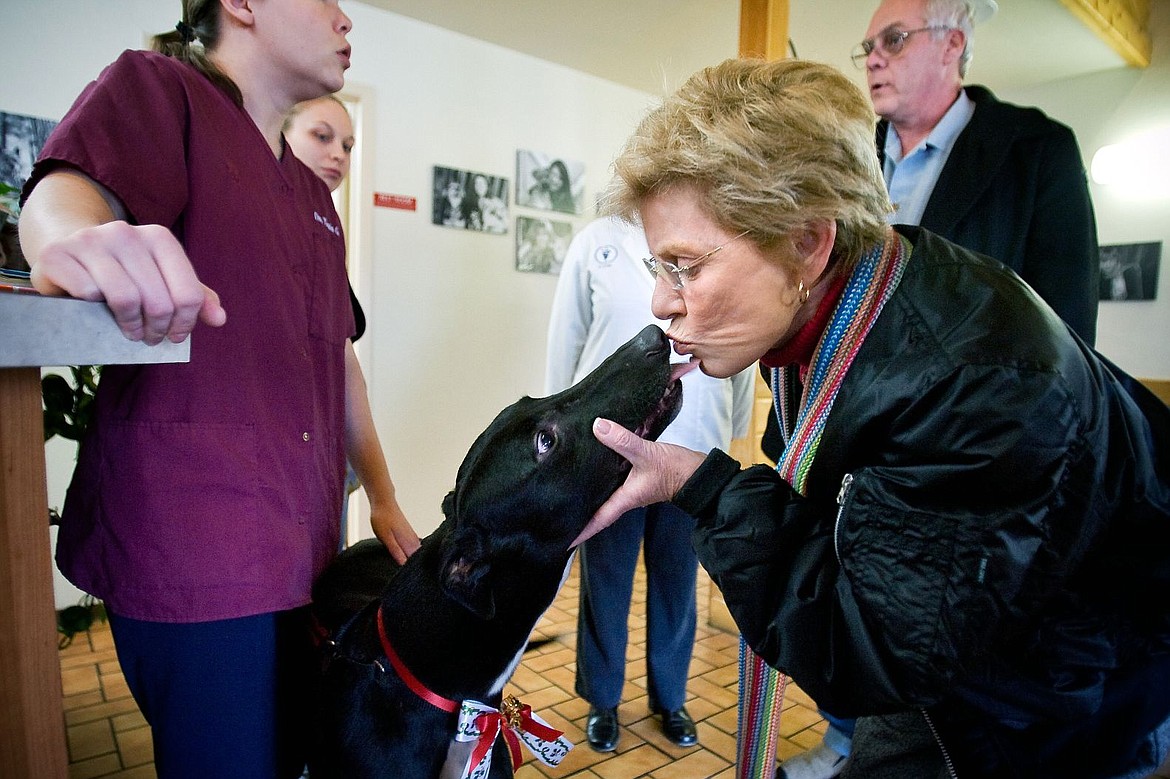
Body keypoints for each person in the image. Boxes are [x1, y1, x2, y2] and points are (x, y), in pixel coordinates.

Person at [572, 57, 1170, 779]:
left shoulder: (971, 386)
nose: (663, 304)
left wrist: (698, 484)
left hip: (1065, 698)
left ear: (807, 240)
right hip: (960, 651)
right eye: (657, 270)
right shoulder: (831, 310)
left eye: (687, 267)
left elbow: (868, 653)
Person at [18, 2, 417, 776]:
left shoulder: (311, 198)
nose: (344, 17)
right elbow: (65, 197)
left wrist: (384, 493)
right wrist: (73, 238)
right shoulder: (159, 91)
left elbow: (335, 359)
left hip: (303, 551)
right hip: (197, 551)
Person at [780, 2, 1104, 775]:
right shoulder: (852, 161)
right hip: (848, 436)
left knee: (934, 636)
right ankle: (843, 736)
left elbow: (1066, 328)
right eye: (867, 46)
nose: (873, 60)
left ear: (953, 45)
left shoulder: (1033, 152)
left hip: (967, 457)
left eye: (892, 40)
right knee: (846, 595)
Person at [545, 216, 756, 753]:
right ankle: (603, 699)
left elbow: (742, 341)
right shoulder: (597, 243)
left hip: (694, 444)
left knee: (678, 583)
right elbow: (566, 340)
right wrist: (559, 430)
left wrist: (731, 431)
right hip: (609, 447)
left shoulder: (723, 237)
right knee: (606, 581)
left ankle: (671, 698)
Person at [283, 94, 418, 555]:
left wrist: (383, 495)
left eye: (348, 144)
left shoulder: (325, 227)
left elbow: (342, 364)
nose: (338, 153)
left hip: (320, 453)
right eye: (321, 136)